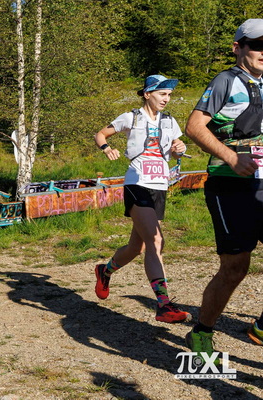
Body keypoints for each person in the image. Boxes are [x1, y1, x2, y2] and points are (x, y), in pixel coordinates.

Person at [185, 19, 263, 354]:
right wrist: (231, 157)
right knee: (235, 267)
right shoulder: (226, 81)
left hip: (260, 183)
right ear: (238, 47)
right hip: (229, 185)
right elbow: (194, 126)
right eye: (257, 45)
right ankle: (202, 331)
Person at [94, 74, 190, 324]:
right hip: (137, 183)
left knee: (137, 247)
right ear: (147, 94)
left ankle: (105, 271)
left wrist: (179, 149)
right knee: (156, 241)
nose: (166, 99)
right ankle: (163, 305)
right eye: (162, 94)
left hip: (160, 186)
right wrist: (107, 148)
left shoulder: (169, 121)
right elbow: (100, 135)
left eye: (169, 95)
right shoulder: (131, 117)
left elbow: (176, 147)